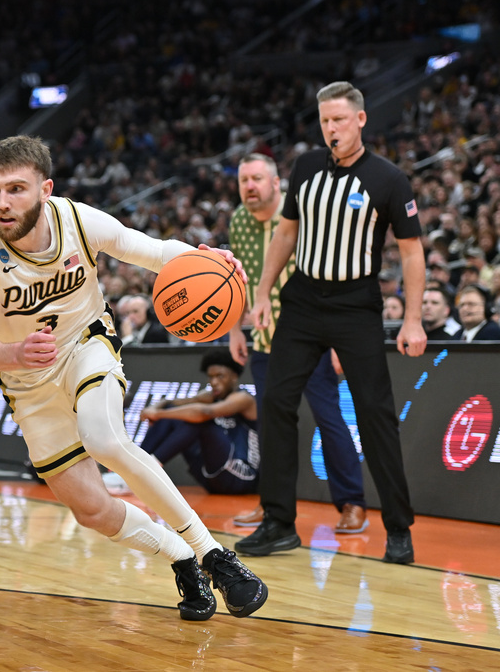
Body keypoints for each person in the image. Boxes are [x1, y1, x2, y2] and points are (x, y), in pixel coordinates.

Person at [0, 135, 268, 622]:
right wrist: (14, 351)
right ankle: (181, 559)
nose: (2, 202)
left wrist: (213, 259)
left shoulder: (80, 220)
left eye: (16, 189)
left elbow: (159, 253)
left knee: (104, 437)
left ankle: (213, 555)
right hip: (25, 379)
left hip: (84, 344)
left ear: (45, 189)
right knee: (91, 511)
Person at [238, 82, 426, 565]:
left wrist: (412, 320)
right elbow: (286, 232)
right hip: (301, 301)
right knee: (275, 400)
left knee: (375, 412)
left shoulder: (389, 179)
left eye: (339, 120)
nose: (331, 129)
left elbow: (411, 252)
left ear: (361, 120)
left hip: (355, 304)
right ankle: (279, 523)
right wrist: (262, 292)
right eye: (325, 121)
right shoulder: (304, 167)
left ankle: (399, 529)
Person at [228, 153, 368, 534]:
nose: (250, 187)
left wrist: (338, 338)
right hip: (265, 340)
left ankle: (352, 503)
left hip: (312, 337)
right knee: (272, 425)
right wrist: (235, 329)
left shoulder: (301, 214)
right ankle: (271, 505)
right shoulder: (239, 220)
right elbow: (237, 279)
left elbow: (331, 272)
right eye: (244, 180)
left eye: (257, 179)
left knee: (328, 417)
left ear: (277, 183)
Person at [130, 349, 260, 495]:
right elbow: (171, 403)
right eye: (210, 377)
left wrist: (158, 413)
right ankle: (133, 467)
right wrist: (157, 407)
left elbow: (205, 413)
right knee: (177, 414)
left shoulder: (243, 398)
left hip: (242, 477)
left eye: (220, 376)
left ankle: (147, 471)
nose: (214, 382)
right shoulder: (210, 396)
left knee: (200, 421)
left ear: (234, 377)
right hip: (212, 476)